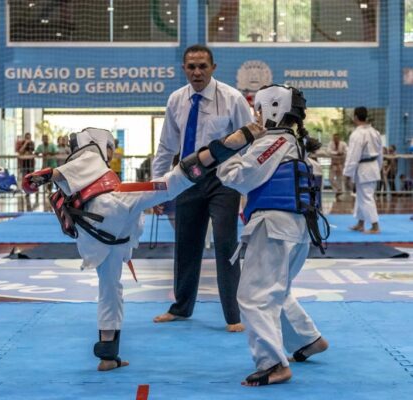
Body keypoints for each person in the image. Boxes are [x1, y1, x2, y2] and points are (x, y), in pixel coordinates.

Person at [22, 123, 266, 372]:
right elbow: (58, 173)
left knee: (110, 289)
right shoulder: (88, 156)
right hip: (112, 207)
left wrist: (44, 179)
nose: (111, 155)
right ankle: (223, 148)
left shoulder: (77, 178)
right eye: (110, 148)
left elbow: (64, 177)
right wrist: (42, 176)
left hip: (98, 238)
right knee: (173, 182)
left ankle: (108, 352)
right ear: (98, 143)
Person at [217, 84, 329, 386]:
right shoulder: (294, 142)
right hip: (295, 229)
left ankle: (273, 364)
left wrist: (227, 151)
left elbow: (238, 176)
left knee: (253, 296)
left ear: (273, 109)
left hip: (274, 227)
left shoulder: (275, 141)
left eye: (258, 110)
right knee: (277, 291)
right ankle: (307, 340)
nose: (256, 116)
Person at [152, 44, 254, 332]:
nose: (197, 72)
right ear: (184, 69)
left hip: (224, 180)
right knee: (186, 244)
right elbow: (166, 146)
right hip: (187, 177)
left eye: (202, 66)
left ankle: (233, 315)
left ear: (213, 68)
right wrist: (157, 188)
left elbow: (250, 143)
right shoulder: (176, 100)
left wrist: (248, 186)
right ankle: (181, 308)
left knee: (225, 244)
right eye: (191, 67)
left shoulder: (232, 98)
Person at [343, 107, 383, 234]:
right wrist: (378, 167)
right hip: (373, 166)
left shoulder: (357, 134)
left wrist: (347, 173)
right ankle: (360, 223)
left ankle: (375, 226)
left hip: (363, 168)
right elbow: (380, 153)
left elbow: (353, 156)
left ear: (355, 117)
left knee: (366, 197)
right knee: (362, 196)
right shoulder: (375, 132)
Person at [327, 133, 347, 200]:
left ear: (339, 138)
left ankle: (338, 195)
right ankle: (338, 189)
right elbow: (328, 151)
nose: (335, 139)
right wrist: (337, 153)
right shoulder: (331, 143)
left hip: (341, 164)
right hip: (333, 164)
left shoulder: (343, 144)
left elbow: (347, 151)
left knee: (340, 179)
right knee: (330, 178)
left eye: (337, 138)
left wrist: (342, 153)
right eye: (334, 138)